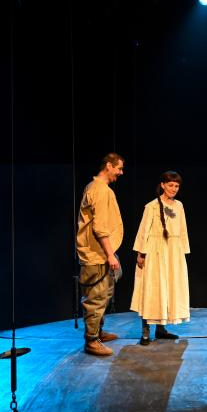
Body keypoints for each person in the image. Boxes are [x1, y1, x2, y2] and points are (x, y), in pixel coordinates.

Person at [130, 170, 191, 345]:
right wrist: (141, 253)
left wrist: (182, 252)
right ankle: (145, 332)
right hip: (155, 251)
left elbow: (182, 229)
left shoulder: (179, 206)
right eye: (170, 185)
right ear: (163, 185)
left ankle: (161, 329)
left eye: (177, 186)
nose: (174, 189)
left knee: (168, 288)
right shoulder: (152, 206)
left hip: (173, 252)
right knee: (152, 289)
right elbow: (143, 231)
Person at [77, 153, 125, 356]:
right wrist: (110, 254)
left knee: (104, 294)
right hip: (97, 254)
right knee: (96, 297)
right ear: (109, 166)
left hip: (101, 252)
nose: (121, 173)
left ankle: (97, 332)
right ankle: (91, 340)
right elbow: (99, 227)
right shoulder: (100, 190)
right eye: (119, 168)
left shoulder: (95, 187)